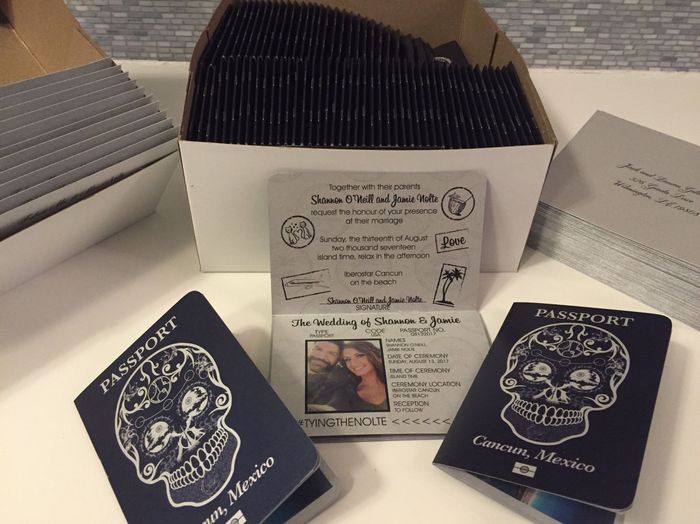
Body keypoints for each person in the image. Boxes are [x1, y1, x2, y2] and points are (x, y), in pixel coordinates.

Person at [339, 341, 388, 411]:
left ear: (372, 355)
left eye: (359, 355)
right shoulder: (348, 393)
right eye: (347, 359)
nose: (353, 364)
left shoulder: (391, 380)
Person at [305, 340, 354, 412]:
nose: (322, 357)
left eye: (332, 354)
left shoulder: (339, 385)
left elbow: (333, 407)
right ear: (310, 348)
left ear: (338, 359)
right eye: (318, 349)